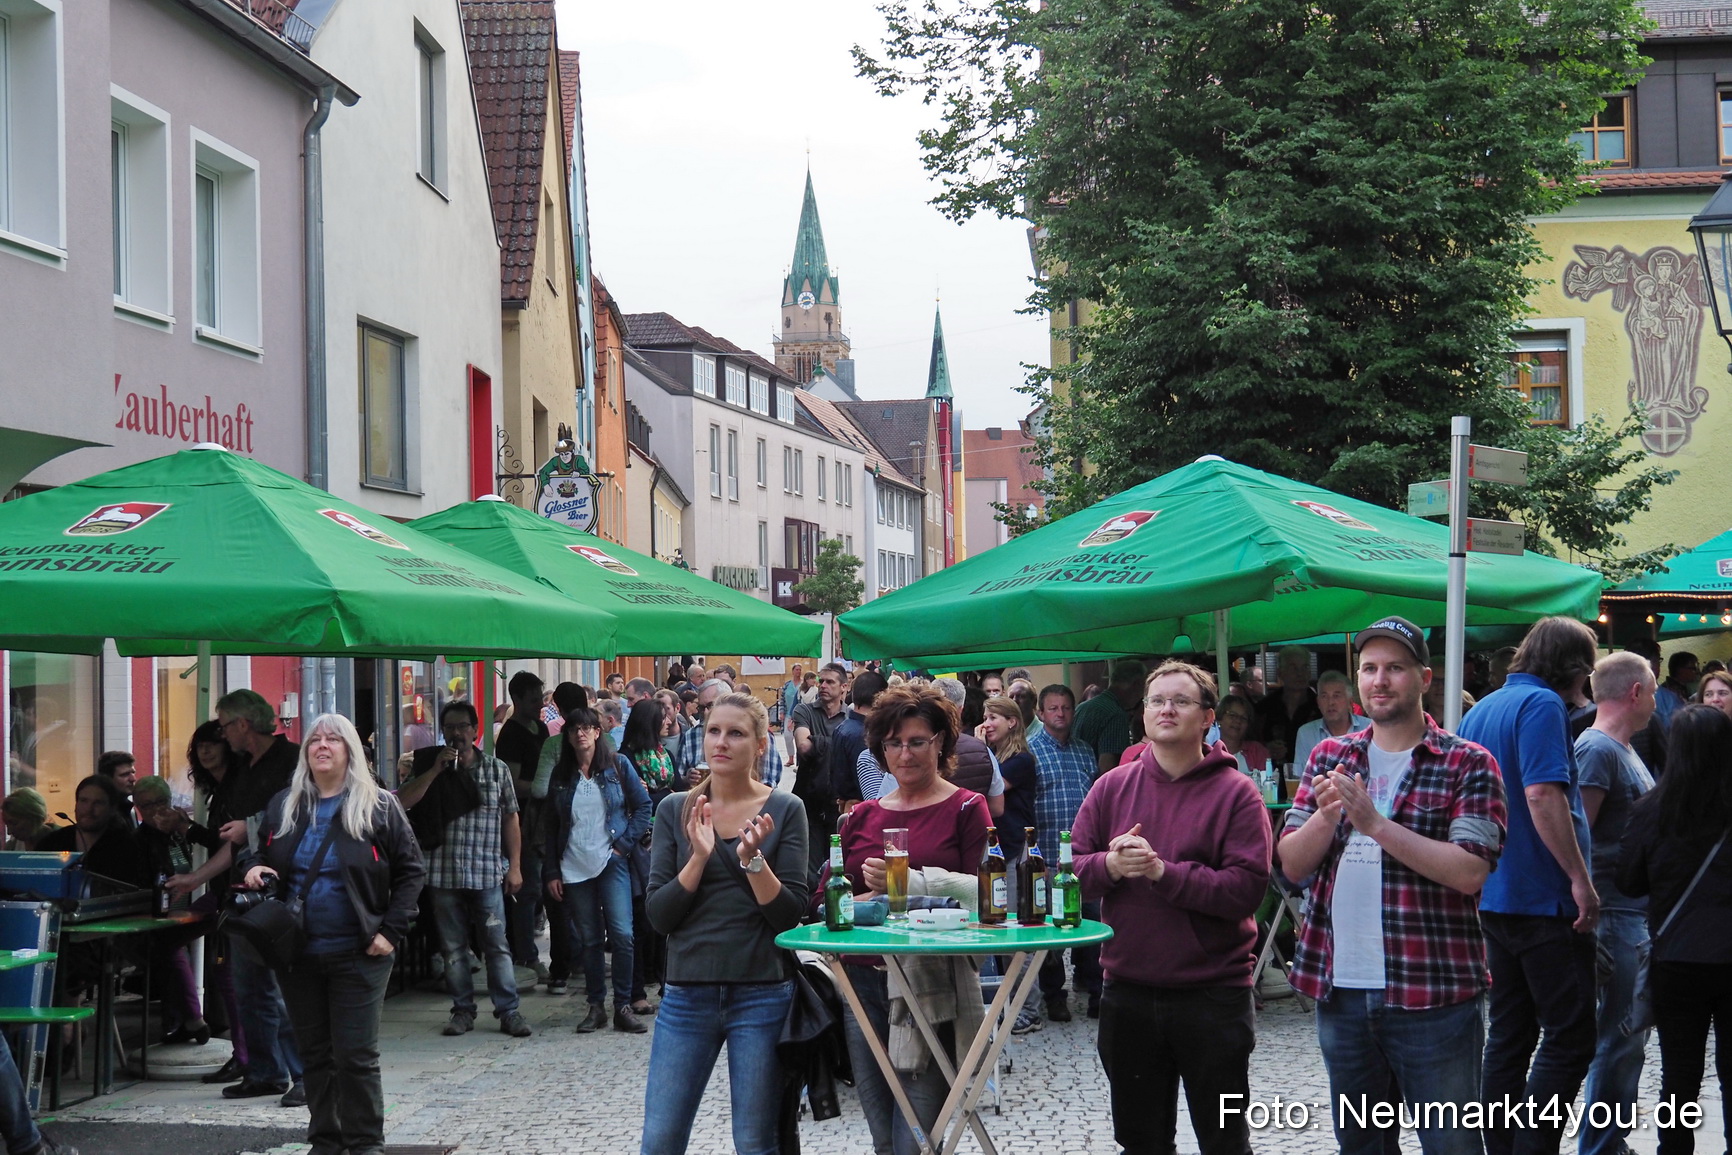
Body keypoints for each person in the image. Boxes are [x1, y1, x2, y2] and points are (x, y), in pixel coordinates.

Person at [1279, 615, 1507, 1155]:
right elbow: (1290, 864)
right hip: (1341, 988)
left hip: (1434, 993)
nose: (1379, 680)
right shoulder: (1330, 756)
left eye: (1395, 668)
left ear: (1424, 678)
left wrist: (1375, 824)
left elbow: (1470, 870)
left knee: (1452, 1146)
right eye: (1369, 669)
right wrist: (1327, 818)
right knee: (1361, 1146)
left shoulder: (1468, 762)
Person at [1073, 661, 1272, 1155]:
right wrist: (1111, 865)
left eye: (1181, 701)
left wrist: (1163, 873)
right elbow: (1067, 873)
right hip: (1128, 992)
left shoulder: (1237, 793)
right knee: (1140, 1143)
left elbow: (1246, 890)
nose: (1167, 709)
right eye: (1156, 701)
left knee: (1225, 1143)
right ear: (1142, 714)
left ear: (1207, 718)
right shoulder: (1111, 787)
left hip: (1213, 996)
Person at [238, 713, 425, 1155]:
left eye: (333, 739)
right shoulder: (285, 805)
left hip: (361, 951)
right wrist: (253, 867)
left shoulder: (379, 806)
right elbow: (253, 851)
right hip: (297, 952)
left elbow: (412, 871)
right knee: (315, 1054)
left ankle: (365, 1144)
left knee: (355, 1056)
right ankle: (326, 1140)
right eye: (315, 740)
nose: (322, 745)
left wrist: (391, 932)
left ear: (350, 751)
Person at [641, 693, 808, 1155]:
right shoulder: (675, 809)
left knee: (754, 1141)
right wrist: (698, 858)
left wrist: (753, 862)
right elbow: (659, 916)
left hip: (761, 992)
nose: (721, 742)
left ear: (760, 744)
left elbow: (789, 916)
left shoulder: (784, 809)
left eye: (736, 733)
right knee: (660, 1140)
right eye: (714, 731)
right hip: (686, 993)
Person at [1458, 616, 1600, 1155]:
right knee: (1570, 1035)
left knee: (1510, 1035)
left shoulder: (1481, 709)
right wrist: (1579, 879)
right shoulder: (1542, 705)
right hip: (1543, 896)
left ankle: (1501, 1147)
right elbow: (1543, 795)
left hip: (1494, 893)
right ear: (1574, 667)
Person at [836, 685, 991, 1155]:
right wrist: (864, 901)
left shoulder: (966, 807)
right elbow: (829, 899)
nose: (905, 754)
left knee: (917, 1139)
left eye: (917, 741)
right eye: (894, 743)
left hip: (929, 979)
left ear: (941, 743)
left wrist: (908, 886)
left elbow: (987, 897)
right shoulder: (861, 817)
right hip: (862, 982)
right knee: (883, 1138)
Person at [1617, 705, 1732, 1155]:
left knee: (1678, 1072)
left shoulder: (1651, 811)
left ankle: (1674, 1148)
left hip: (1677, 957)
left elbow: (1629, 882)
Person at [397, 701, 531, 1039]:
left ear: (475, 730)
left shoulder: (496, 770)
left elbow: (510, 818)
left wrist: (515, 866)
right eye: (450, 727)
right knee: (453, 948)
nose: (456, 733)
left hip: (486, 872)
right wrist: (434, 772)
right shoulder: (429, 764)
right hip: (442, 873)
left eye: (462, 727)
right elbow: (402, 802)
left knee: (496, 945)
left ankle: (509, 1011)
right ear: (442, 732)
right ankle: (462, 1011)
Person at [1575, 652, 1658, 1155]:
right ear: (1635, 692)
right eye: (1653, 691)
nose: (1655, 702)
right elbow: (1576, 833)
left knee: (1627, 1039)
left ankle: (1609, 1142)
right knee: (1619, 1037)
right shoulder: (1597, 750)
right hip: (1612, 915)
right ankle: (1601, 1146)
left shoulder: (1622, 750)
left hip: (1631, 913)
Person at [213, 688, 306, 1103]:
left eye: (224, 726)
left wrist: (248, 826)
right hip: (243, 889)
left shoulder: (293, 761)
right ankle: (266, 1072)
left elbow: (299, 815)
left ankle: (305, 1075)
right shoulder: (243, 766)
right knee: (248, 986)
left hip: (282, 888)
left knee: (282, 988)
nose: (222, 735)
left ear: (242, 724)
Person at [542, 706, 652, 1033]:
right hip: (574, 864)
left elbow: (643, 807)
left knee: (622, 934)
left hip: (611, 861)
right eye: (574, 729)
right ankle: (595, 1006)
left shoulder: (618, 765)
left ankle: (623, 1006)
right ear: (567, 736)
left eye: (586, 728)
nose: (580, 733)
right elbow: (551, 826)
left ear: (597, 732)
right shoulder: (561, 775)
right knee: (590, 939)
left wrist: (623, 846)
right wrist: (552, 871)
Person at [1026, 684, 1102, 1027]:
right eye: (1053, 708)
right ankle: (1054, 996)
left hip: (1084, 856)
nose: (1060, 714)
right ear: (1041, 713)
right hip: (1047, 856)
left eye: (1066, 708)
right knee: (1051, 932)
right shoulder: (1029, 752)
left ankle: (1096, 990)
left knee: (1092, 922)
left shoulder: (1085, 750)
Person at [131, 775, 220, 1044]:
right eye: (147, 806)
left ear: (170, 801)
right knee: (168, 943)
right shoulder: (140, 840)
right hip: (163, 913)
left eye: (160, 802)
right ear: (138, 809)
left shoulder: (182, 830)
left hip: (197, 905)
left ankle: (200, 1019)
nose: (155, 810)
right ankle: (186, 1020)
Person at [495, 671, 555, 990]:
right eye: (533, 700)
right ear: (516, 699)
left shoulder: (541, 728)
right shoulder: (511, 735)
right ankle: (526, 955)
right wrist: (544, 786)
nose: (539, 706)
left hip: (543, 816)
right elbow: (512, 783)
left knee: (542, 887)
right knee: (528, 888)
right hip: (523, 819)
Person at [621, 698, 675, 1015]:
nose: (667, 722)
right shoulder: (626, 758)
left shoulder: (663, 754)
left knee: (664, 914)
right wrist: (661, 796)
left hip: (666, 841)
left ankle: (662, 977)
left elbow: (670, 790)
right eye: (662, 718)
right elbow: (638, 801)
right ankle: (637, 988)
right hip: (640, 845)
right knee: (642, 915)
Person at [36, 775, 146, 886]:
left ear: (112, 809)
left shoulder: (128, 847)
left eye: (98, 803)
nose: (89, 809)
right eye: (84, 801)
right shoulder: (52, 842)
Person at [675, 679, 784, 788]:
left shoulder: (758, 733)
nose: (706, 712)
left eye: (736, 733)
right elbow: (679, 777)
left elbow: (769, 781)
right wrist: (688, 778)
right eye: (702, 708)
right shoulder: (692, 735)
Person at [980, 696, 1038, 871]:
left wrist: (979, 749)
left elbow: (992, 786)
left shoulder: (1021, 760)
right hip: (996, 846)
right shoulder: (993, 755)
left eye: (993, 718)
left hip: (1014, 848)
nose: (986, 724)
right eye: (984, 718)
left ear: (1012, 722)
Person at [1071, 659, 1146, 776]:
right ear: (1136, 684)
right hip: (1098, 783)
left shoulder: (1082, 707)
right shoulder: (1115, 714)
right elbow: (1107, 768)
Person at [1291, 669, 1370, 775]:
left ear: (1350, 702)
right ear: (1318, 702)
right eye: (1324, 696)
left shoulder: (1369, 728)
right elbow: (1301, 777)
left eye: (1336, 696)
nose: (1330, 702)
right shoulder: (1306, 733)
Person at [1256, 645, 1320, 765]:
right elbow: (1252, 741)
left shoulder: (1319, 706)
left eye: (1305, 667)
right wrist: (1265, 749)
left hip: (1312, 771)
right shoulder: (1265, 706)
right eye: (1293, 668)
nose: (1300, 673)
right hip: (1273, 772)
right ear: (1280, 673)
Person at [1213, 694, 1271, 777]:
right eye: (1232, 715)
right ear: (1219, 718)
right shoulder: (1208, 752)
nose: (1238, 721)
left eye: (1243, 718)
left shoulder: (1257, 751)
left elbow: (1268, 782)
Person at [1654, 651, 1700, 728]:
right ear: (1680, 669)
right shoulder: (1669, 693)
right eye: (1693, 668)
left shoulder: (1683, 688)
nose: (1697, 672)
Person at [95, 750, 139, 824]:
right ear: (107, 779)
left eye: (133, 773)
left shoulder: (129, 809)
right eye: (125, 775)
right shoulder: (101, 813)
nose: (133, 779)